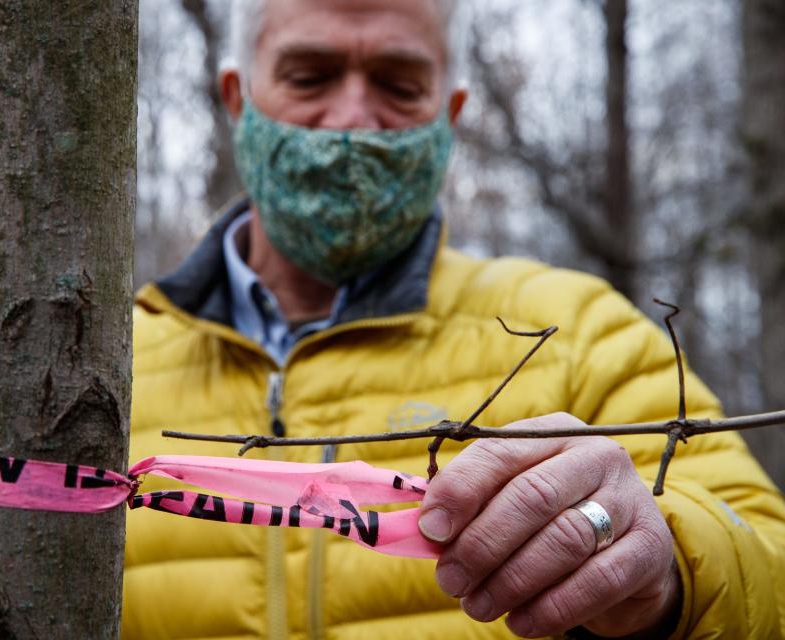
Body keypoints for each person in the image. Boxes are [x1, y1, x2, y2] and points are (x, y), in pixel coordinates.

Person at [122, 1, 785, 638]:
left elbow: (767, 569)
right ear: (237, 98)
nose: (353, 119)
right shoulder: (104, 370)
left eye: (399, 85)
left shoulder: (579, 335)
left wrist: (669, 572)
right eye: (309, 76)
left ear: (451, 113)